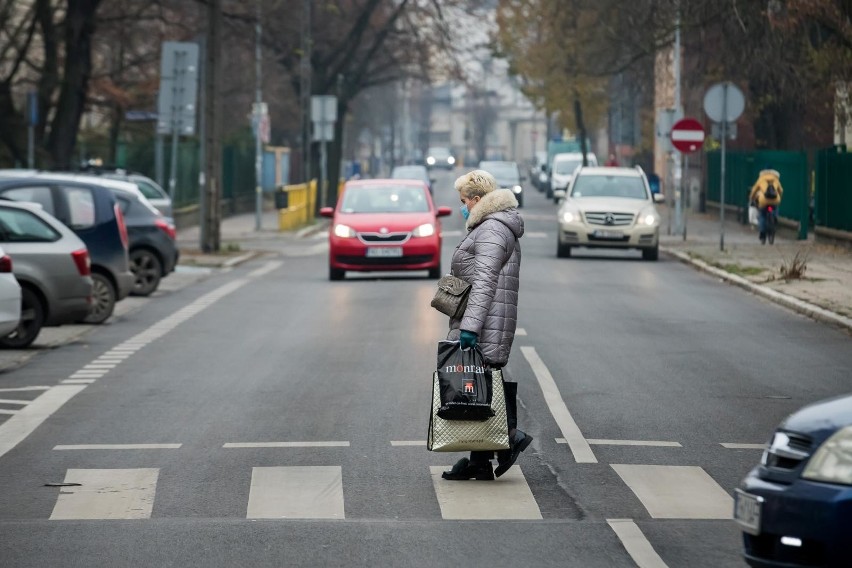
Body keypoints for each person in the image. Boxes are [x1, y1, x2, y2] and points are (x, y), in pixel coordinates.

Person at [441, 170, 530, 481]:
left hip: (486, 319)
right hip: (489, 316)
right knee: (479, 385)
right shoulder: (491, 226)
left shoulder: (492, 229)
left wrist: (470, 327)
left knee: (477, 384)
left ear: (477, 200)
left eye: (464, 201)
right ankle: (479, 461)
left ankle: (510, 435)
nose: (461, 206)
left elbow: (485, 282)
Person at [748, 169, 783, 244]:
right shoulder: (776, 179)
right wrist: (779, 196)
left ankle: (763, 234)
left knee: (762, 215)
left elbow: (754, 190)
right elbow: (781, 190)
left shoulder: (761, 179)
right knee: (775, 207)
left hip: (763, 201)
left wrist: (751, 198)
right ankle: (775, 217)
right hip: (774, 200)